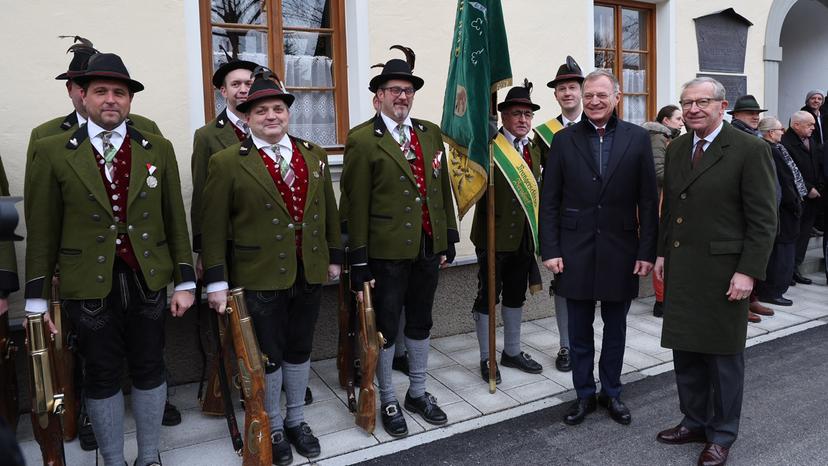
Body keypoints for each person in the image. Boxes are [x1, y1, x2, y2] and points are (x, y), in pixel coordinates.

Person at [24, 53, 196, 466]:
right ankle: (115, 459)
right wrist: (36, 298)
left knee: (151, 365)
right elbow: (42, 228)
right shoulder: (52, 151)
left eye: (120, 92)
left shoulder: (157, 147)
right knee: (100, 372)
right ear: (82, 96)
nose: (111, 100)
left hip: (147, 278)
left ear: (130, 100)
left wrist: (186, 281)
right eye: (100, 91)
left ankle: (149, 455)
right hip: (88, 281)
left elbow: (174, 216)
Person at [202, 68, 342, 465]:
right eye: (261, 110)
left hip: (308, 271)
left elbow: (327, 211)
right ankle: (275, 423)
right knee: (268, 355)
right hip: (259, 274)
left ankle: (297, 419)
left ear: (288, 113)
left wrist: (334, 256)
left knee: (300, 348)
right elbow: (213, 227)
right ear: (247, 117)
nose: (271, 116)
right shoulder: (227, 162)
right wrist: (215, 281)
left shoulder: (312, 154)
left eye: (278, 108)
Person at [654, 77, 777, 466]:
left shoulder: (749, 149)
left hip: (726, 273)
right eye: (687, 102)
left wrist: (748, 272)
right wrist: (660, 255)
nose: (693, 109)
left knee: (723, 358)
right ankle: (694, 421)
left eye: (702, 102)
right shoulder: (675, 149)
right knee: (686, 352)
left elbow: (763, 219)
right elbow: (671, 209)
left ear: (722, 107)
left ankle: (722, 434)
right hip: (682, 267)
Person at [340, 53, 459, 437]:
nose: (402, 96)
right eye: (394, 90)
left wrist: (448, 237)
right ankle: (388, 395)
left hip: (426, 246)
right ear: (379, 97)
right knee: (387, 327)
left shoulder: (428, 132)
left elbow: (440, 189)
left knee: (422, 321)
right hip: (385, 253)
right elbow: (353, 204)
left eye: (407, 90)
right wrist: (357, 260)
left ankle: (418, 391)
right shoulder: (362, 139)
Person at [539, 69, 658, 426]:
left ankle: (612, 391)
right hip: (573, 250)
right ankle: (583, 395)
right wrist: (550, 249)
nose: (594, 101)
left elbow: (649, 201)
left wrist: (646, 252)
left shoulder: (638, 139)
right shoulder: (563, 140)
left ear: (617, 98)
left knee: (616, 327)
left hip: (622, 249)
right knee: (578, 330)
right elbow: (550, 201)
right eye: (588, 95)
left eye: (601, 95)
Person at [470, 83, 544, 384]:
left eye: (528, 114)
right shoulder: (489, 147)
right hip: (493, 236)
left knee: (516, 295)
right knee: (488, 296)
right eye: (517, 114)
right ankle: (487, 357)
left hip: (523, 237)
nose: (524, 120)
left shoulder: (535, 148)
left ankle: (511, 351)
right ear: (503, 117)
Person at [533, 56, 586, 373]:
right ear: (555, 95)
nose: (567, 93)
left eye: (572, 87)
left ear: (581, 91)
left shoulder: (599, 127)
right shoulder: (544, 135)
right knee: (563, 285)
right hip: (565, 224)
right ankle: (566, 346)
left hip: (597, 222)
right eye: (561, 88)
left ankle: (588, 342)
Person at [727, 95, 776, 322]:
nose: (756, 117)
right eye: (750, 113)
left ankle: (751, 297)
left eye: (757, 113)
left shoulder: (754, 137)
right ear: (735, 115)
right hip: (739, 215)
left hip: (760, 208)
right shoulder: (738, 138)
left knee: (755, 251)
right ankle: (741, 303)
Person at [755, 117, 806, 306]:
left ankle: (776, 289)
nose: (782, 132)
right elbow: (782, 182)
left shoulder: (776, 148)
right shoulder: (770, 150)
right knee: (780, 254)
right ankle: (772, 291)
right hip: (783, 210)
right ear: (770, 132)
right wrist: (794, 204)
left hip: (786, 209)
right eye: (780, 129)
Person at [641, 104, 682, 317]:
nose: (682, 122)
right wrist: (685, 177)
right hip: (659, 204)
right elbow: (658, 172)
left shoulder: (665, 137)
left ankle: (664, 299)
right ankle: (661, 302)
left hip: (663, 202)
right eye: (678, 118)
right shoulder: (659, 137)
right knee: (663, 251)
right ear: (665, 121)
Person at [783, 111, 821, 285]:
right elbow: (789, 171)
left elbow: (816, 166)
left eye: (813, 124)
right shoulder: (785, 143)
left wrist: (817, 186)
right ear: (796, 125)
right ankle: (788, 271)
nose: (814, 128)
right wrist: (808, 188)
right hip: (795, 198)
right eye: (809, 125)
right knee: (793, 235)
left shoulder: (811, 141)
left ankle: (796, 268)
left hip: (812, 198)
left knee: (804, 235)